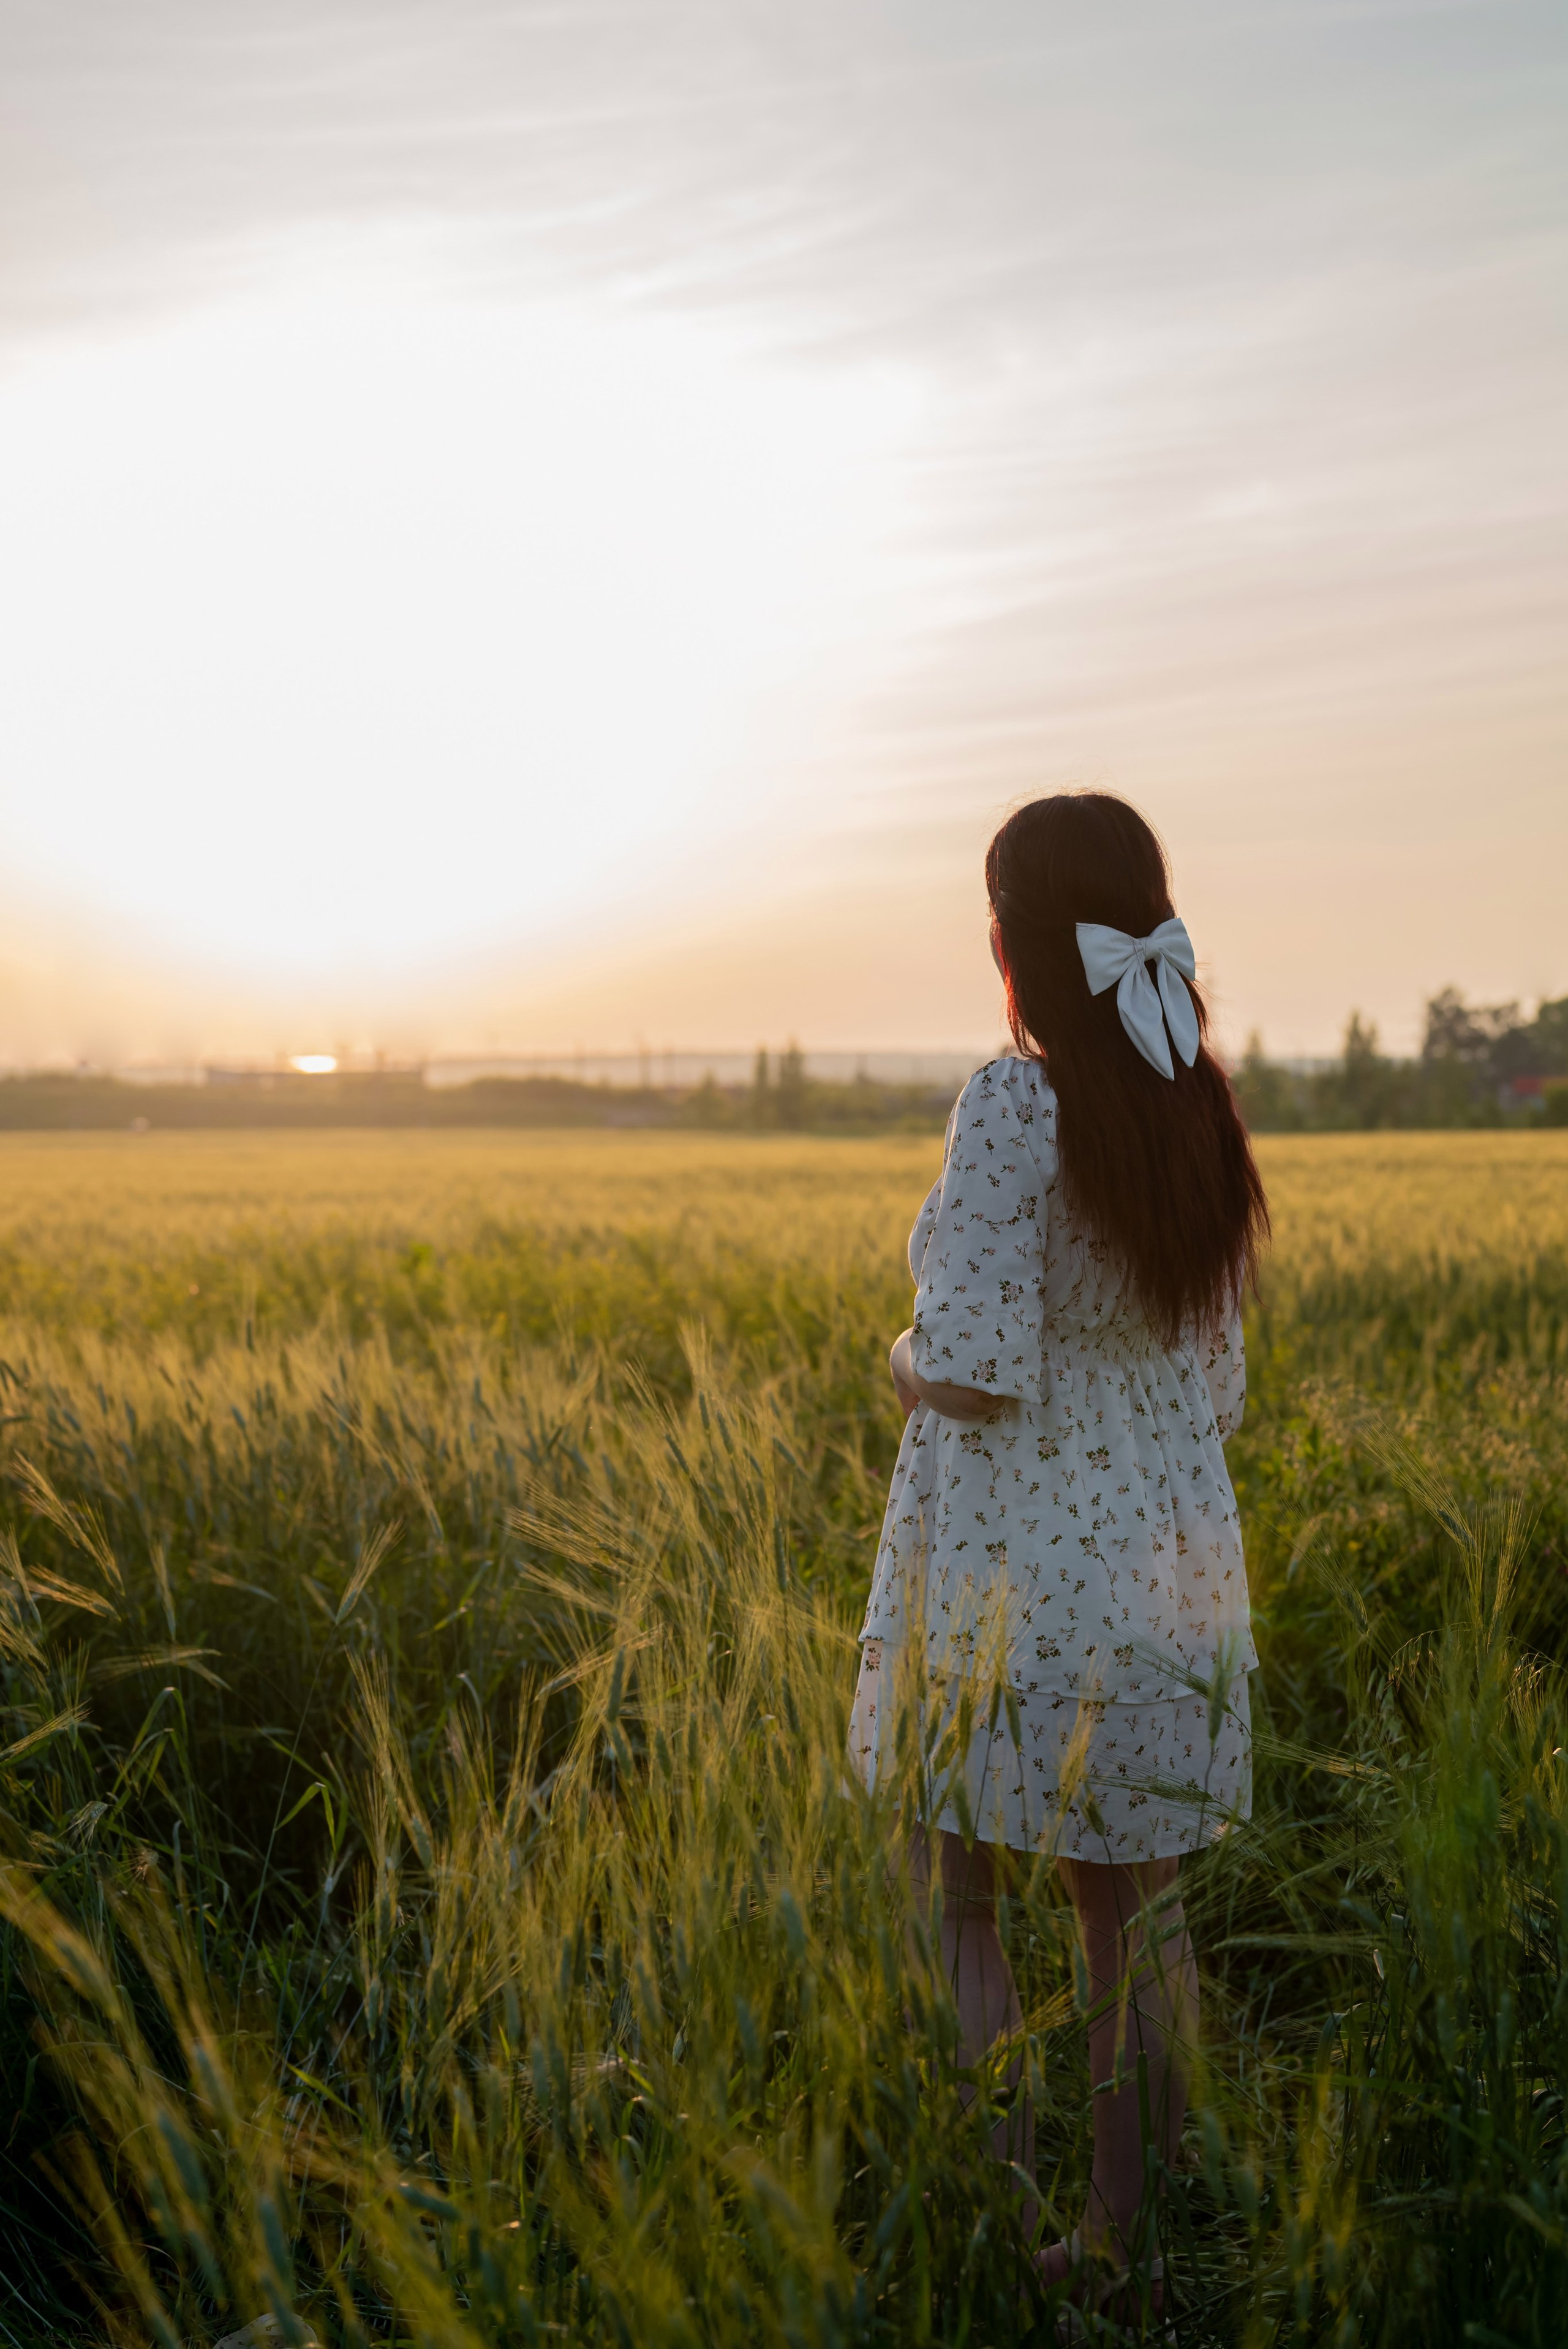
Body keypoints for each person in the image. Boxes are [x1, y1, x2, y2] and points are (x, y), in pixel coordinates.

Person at [849, 791, 1268, 2331]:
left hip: (1017, 1560)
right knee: (1134, 1906)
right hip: (1168, 1556)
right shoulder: (1193, 1100)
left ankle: (1011, 2201)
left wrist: (896, 1362)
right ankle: (1129, 2240)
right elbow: (1214, 1386)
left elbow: (963, 1361)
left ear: (1016, 944)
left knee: (951, 1880)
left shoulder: (1013, 1103)